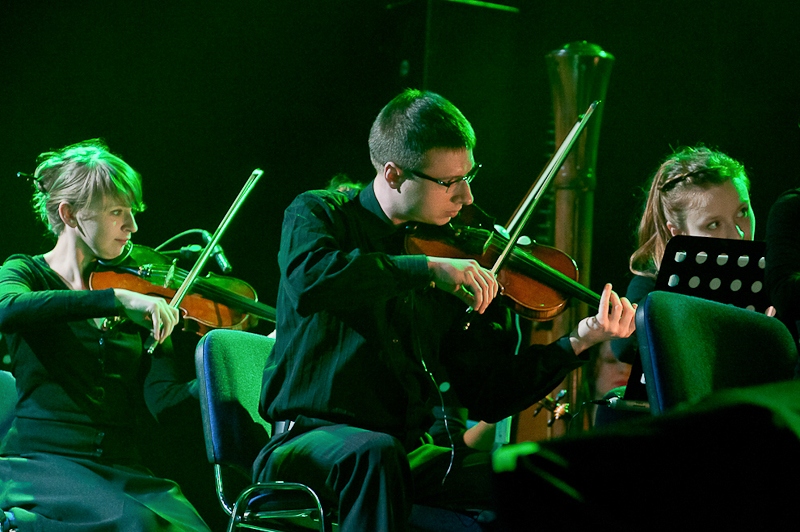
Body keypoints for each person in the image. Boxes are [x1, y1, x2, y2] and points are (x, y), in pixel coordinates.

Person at [253, 89, 636, 530]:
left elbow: (489, 394)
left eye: (469, 176)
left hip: (408, 452)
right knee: (375, 454)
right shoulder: (319, 213)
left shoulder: (451, 254)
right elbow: (312, 280)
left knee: (537, 479)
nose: (467, 197)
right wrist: (427, 268)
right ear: (394, 175)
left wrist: (580, 339)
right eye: (449, 182)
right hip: (308, 442)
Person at [0, 139, 210, 531]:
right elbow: (6, 308)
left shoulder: (140, 295)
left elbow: (162, 398)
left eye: (131, 212)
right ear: (70, 214)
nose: (132, 226)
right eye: (117, 212)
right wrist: (113, 298)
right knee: (139, 525)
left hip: (121, 468)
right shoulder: (26, 272)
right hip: (45, 463)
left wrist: (221, 378)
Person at [612, 145, 757, 367]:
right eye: (714, 224)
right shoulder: (653, 285)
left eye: (742, 212)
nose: (737, 235)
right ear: (679, 233)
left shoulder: (779, 275)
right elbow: (624, 347)